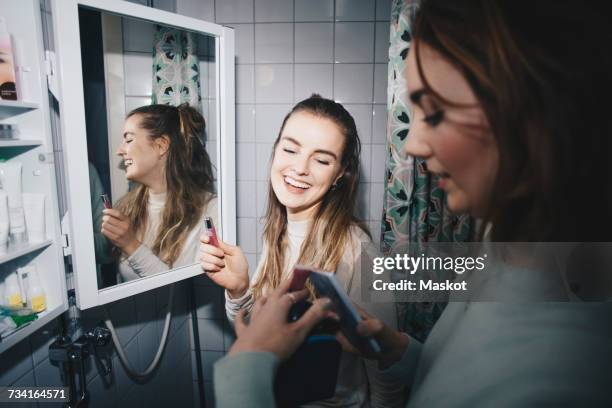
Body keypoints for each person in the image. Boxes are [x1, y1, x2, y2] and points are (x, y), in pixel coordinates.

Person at [211, 1, 612, 407]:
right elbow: (449, 374)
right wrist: (394, 347)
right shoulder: (496, 262)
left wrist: (245, 368)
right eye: (290, 148)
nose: (414, 145)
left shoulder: (560, 368)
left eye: (435, 112)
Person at [200, 95, 404, 406]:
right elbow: (264, 340)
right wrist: (239, 291)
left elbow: (385, 371)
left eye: (321, 160)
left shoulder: (359, 252)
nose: (299, 167)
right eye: (290, 149)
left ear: (339, 174)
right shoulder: (277, 233)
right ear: (275, 149)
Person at [101, 103, 217, 282]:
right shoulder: (127, 208)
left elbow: (183, 292)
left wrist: (130, 244)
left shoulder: (209, 211)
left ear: (161, 146)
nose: (119, 151)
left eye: (129, 140)